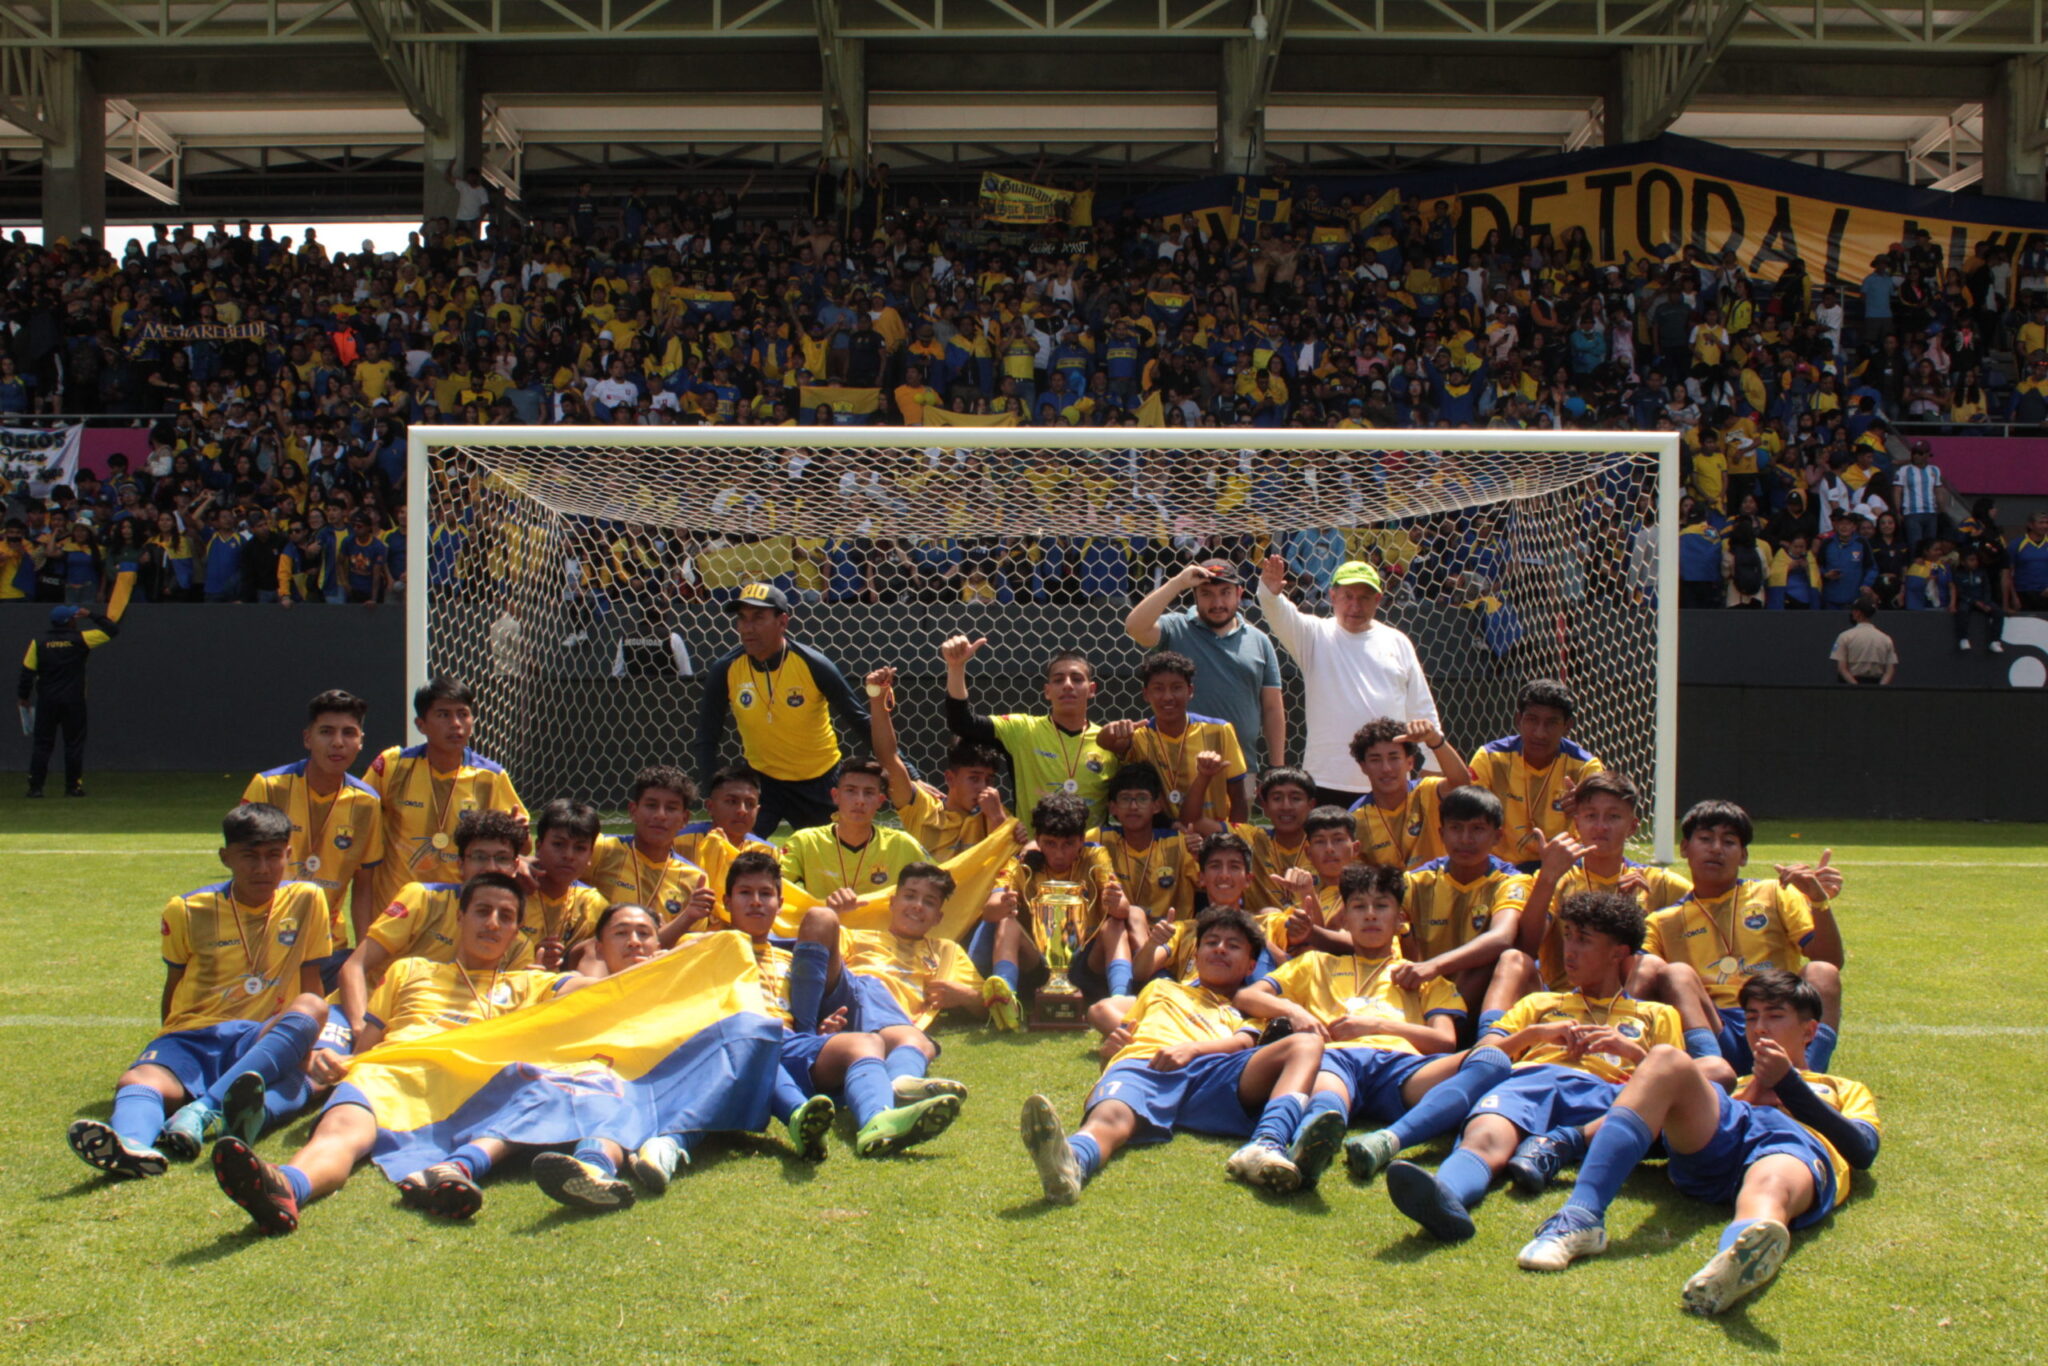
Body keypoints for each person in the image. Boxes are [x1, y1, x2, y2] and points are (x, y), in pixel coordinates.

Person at [209, 872, 590, 1233]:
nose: (492, 923)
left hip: (467, 1089)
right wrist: (344, 1063)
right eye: (482, 911)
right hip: (389, 1074)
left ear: (516, 931)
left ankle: (452, 1169)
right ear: (460, 917)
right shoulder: (409, 970)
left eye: (505, 917)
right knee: (341, 1131)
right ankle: (287, 1186)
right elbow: (368, 1046)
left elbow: (601, 991)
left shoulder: (529, 984)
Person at [1514, 970, 1879, 1319]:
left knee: (1771, 1179)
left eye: (1775, 1016)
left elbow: (1862, 1150)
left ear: (1809, 1030)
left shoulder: (1841, 1087)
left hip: (1794, 1146)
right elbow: (1661, 1128)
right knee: (1666, 1058)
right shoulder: (1738, 1083)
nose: (1759, 1028)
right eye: (1751, 1017)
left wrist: (1788, 1084)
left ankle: (1732, 1262)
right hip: (1725, 1134)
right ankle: (1580, 1218)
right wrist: (1755, 1089)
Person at [1376, 891, 1685, 1242]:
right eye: (1567, 935)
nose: (1570, 950)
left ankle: (1557, 1147)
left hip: (1605, 1093)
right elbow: (1484, 1055)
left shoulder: (1656, 1014)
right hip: (1530, 1082)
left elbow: (1672, 1085)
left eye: (1584, 940)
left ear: (1618, 953)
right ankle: (1446, 1196)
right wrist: (1535, 1034)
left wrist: (1632, 1052)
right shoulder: (1540, 1002)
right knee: (1486, 1135)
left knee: (1632, 1112)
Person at [67, 804, 332, 1179]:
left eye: (274, 855)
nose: (262, 868)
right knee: (137, 1082)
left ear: (289, 854)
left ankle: (203, 1109)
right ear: (226, 857)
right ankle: (132, 1148)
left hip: (259, 1039)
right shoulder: (187, 909)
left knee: (313, 1006)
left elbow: (311, 977)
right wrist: (167, 1048)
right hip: (194, 1036)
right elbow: (174, 985)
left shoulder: (307, 900)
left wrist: (309, 1043)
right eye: (249, 856)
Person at [1019, 907, 1346, 1204]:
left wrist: (1192, 1049)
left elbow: (1241, 1045)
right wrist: (1111, 1051)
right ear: (1196, 954)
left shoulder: (1251, 1008)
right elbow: (1118, 1024)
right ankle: (1073, 1162)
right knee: (1111, 1117)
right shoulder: (1161, 989)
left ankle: (1266, 1143)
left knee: (1306, 1044)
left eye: (1233, 946)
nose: (1220, 949)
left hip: (1215, 1074)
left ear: (1251, 965)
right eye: (1211, 943)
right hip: (1151, 1062)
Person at [715, 850, 966, 1159]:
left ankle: (877, 1122)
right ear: (727, 901)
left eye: (765, 894)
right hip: (745, 1044)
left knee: (866, 1042)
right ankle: (802, 1108)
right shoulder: (706, 947)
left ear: (779, 904)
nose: (756, 901)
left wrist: (819, 1032)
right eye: (745, 893)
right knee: (857, 979)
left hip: (797, 1044)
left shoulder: (789, 957)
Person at [1232, 864, 1469, 1135]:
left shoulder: (1420, 976)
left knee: (1488, 1060)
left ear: (1400, 919)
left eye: (1381, 906)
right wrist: (1295, 1012)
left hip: (1403, 1066)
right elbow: (1246, 996)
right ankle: (1316, 1129)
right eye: (1359, 907)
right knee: (1327, 1081)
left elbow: (1445, 1042)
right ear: (1344, 919)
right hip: (1336, 1059)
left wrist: (1376, 1026)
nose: (1370, 915)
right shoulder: (1314, 964)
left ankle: (1391, 1139)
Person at [1645, 800, 1845, 1076]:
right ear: (1685, 848)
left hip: (1778, 1020)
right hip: (1716, 1025)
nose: (1716, 848)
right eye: (1705, 839)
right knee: (1675, 973)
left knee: (1823, 971)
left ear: (1743, 856)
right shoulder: (1662, 921)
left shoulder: (1775, 893)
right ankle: (1712, 1074)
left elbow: (1830, 959)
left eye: (1729, 842)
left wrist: (1819, 902)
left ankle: (1806, 1078)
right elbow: (1636, 981)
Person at [1256, 556, 1438, 808]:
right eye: (1348, 596)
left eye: (1364, 597)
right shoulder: (1313, 635)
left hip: (1388, 781)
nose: (1355, 605)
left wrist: (1433, 764)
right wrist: (1270, 592)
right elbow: (1277, 612)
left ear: (1378, 600)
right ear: (1333, 596)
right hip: (1326, 780)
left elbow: (1421, 706)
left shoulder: (1397, 641)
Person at [694, 582, 871, 836]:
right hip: (761, 781)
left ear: (783, 621)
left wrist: (909, 775)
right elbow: (707, 737)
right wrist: (713, 793)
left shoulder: (813, 664)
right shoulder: (726, 669)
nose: (747, 628)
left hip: (818, 780)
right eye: (742, 618)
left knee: (837, 854)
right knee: (734, 849)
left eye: (758, 618)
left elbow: (861, 721)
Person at [241, 690, 386, 981]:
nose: (337, 742)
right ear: (308, 738)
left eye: (348, 733)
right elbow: (242, 865)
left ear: (360, 741)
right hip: (265, 939)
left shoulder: (367, 803)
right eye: (326, 732)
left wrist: (363, 956)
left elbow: (364, 886)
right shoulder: (268, 787)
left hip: (328, 946)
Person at [364, 676, 526, 907]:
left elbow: (522, 846)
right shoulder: (392, 766)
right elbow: (358, 817)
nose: (456, 723)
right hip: (396, 908)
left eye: (463, 714)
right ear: (421, 724)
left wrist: (520, 833)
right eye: (443, 715)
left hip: (460, 910)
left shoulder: (490, 777)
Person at [942, 635, 1127, 830]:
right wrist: (956, 667)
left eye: (1077, 679)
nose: (1067, 685)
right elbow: (962, 723)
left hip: (1093, 848)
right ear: (1047, 691)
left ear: (1091, 689)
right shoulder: (1023, 730)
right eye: (1058, 680)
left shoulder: (1108, 740)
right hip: (1032, 847)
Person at [977, 792, 1132, 1014]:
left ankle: (1121, 999)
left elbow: (1123, 909)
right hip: (1040, 961)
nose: (1059, 854)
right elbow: (989, 911)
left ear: (1081, 839)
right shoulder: (1021, 864)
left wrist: (1116, 902)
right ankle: (1006, 999)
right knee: (1006, 923)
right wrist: (1003, 905)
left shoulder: (1095, 855)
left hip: (1086, 958)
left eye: (1068, 844)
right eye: (1050, 843)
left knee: (1115, 925)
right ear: (1038, 840)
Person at [1123, 557, 1287, 767]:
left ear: (1239, 593)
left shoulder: (1260, 641)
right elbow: (1134, 627)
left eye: (1225, 593)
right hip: (1178, 768)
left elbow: (1272, 708)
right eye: (1207, 594)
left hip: (1241, 768)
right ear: (1195, 596)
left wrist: (1277, 768)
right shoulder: (1175, 628)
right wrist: (1178, 582)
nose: (1217, 603)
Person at [864, 665, 1007, 858]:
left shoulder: (995, 813)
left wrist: (997, 818)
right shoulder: (923, 809)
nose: (983, 788)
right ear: (950, 778)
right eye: (974, 778)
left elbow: (1008, 862)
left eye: (989, 780)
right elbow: (888, 758)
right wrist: (878, 699)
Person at [1098, 650, 1248, 832]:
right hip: (1162, 837)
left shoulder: (1219, 731)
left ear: (1190, 691)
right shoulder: (1139, 737)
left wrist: (1235, 838)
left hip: (1212, 836)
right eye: (1158, 689)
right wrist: (1110, 731)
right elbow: (1106, 742)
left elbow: (1238, 797)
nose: (1168, 697)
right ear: (1146, 694)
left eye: (1176, 688)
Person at [587, 765, 715, 942]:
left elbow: (690, 947)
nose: (660, 815)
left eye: (671, 808)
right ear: (633, 811)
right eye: (651, 805)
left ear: (684, 819)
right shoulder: (602, 849)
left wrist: (687, 918)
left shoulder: (694, 879)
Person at [18, 588, 125, 798]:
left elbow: (27, 673)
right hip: (73, 700)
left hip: (47, 701)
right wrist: (91, 614)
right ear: (70, 621)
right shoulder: (81, 639)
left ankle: (35, 787)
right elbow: (112, 630)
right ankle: (73, 786)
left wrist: (23, 697)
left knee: (42, 745)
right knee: (73, 744)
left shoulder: (38, 643)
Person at [780, 757, 931, 897]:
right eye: (851, 791)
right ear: (835, 796)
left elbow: (935, 887)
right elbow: (773, 884)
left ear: (880, 801)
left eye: (869, 793)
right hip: (825, 917)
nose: (860, 800)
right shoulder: (805, 842)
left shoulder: (902, 845)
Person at [1348, 717, 1471, 870]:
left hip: (1439, 884)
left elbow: (1461, 784)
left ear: (1410, 762)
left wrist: (1434, 739)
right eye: (1375, 760)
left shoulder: (1427, 791)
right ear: (1363, 767)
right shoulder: (1356, 818)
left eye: (1394, 758)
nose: (1386, 768)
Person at [521, 798, 610, 968]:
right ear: (538, 847)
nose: (569, 855)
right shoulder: (514, 893)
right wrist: (528, 956)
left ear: (590, 855)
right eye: (558, 844)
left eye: (580, 848)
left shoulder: (592, 904)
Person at [675, 765, 780, 862]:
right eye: (732, 801)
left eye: (750, 804)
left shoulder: (767, 853)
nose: (742, 810)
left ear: (757, 811)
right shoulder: (679, 842)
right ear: (710, 807)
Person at [1830, 594, 1898, 685]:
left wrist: (1857, 687)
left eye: (1853, 610)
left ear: (1858, 613)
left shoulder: (1845, 637)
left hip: (1850, 687)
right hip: (1877, 685)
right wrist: (1880, 688)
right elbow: (1890, 671)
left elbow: (1842, 668)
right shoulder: (1885, 639)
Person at [1952, 545, 2005, 652]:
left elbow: (1987, 589)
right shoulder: (1958, 575)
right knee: (1962, 611)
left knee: (1998, 612)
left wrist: (1985, 602)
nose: (1975, 562)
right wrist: (1975, 602)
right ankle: (1963, 639)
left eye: (1976, 560)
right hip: (1967, 600)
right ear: (1963, 562)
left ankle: (1995, 641)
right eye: (1971, 560)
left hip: (1983, 599)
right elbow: (1961, 593)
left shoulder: (1982, 573)